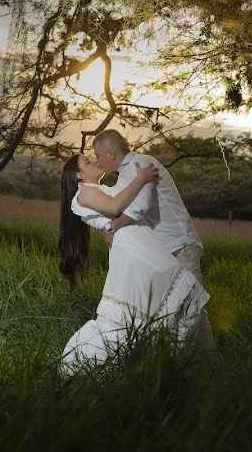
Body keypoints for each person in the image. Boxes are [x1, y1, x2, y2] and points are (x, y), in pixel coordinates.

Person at [58, 154, 211, 372]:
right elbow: (113, 208)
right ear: (79, 175)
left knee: (163, 301)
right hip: (133, 250)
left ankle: (175, 359)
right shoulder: (84, 192)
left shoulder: (101, 188)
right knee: (148, 305)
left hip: (142, 244)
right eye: (88, 162)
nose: (94, 161)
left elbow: (121, 208)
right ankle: (102, 361)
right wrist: (142, 178)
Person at [92, 129, 215, 347]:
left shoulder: (142, 163)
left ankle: (211, 367)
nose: (97, 160)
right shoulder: (126, 175)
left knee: (190, 308)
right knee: (172, 309)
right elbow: (116, 205)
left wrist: (111, 228)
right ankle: (188, 365)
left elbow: (139, 207)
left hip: (180, 245)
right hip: (163, 252)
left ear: (111, 153)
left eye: (98, 155)